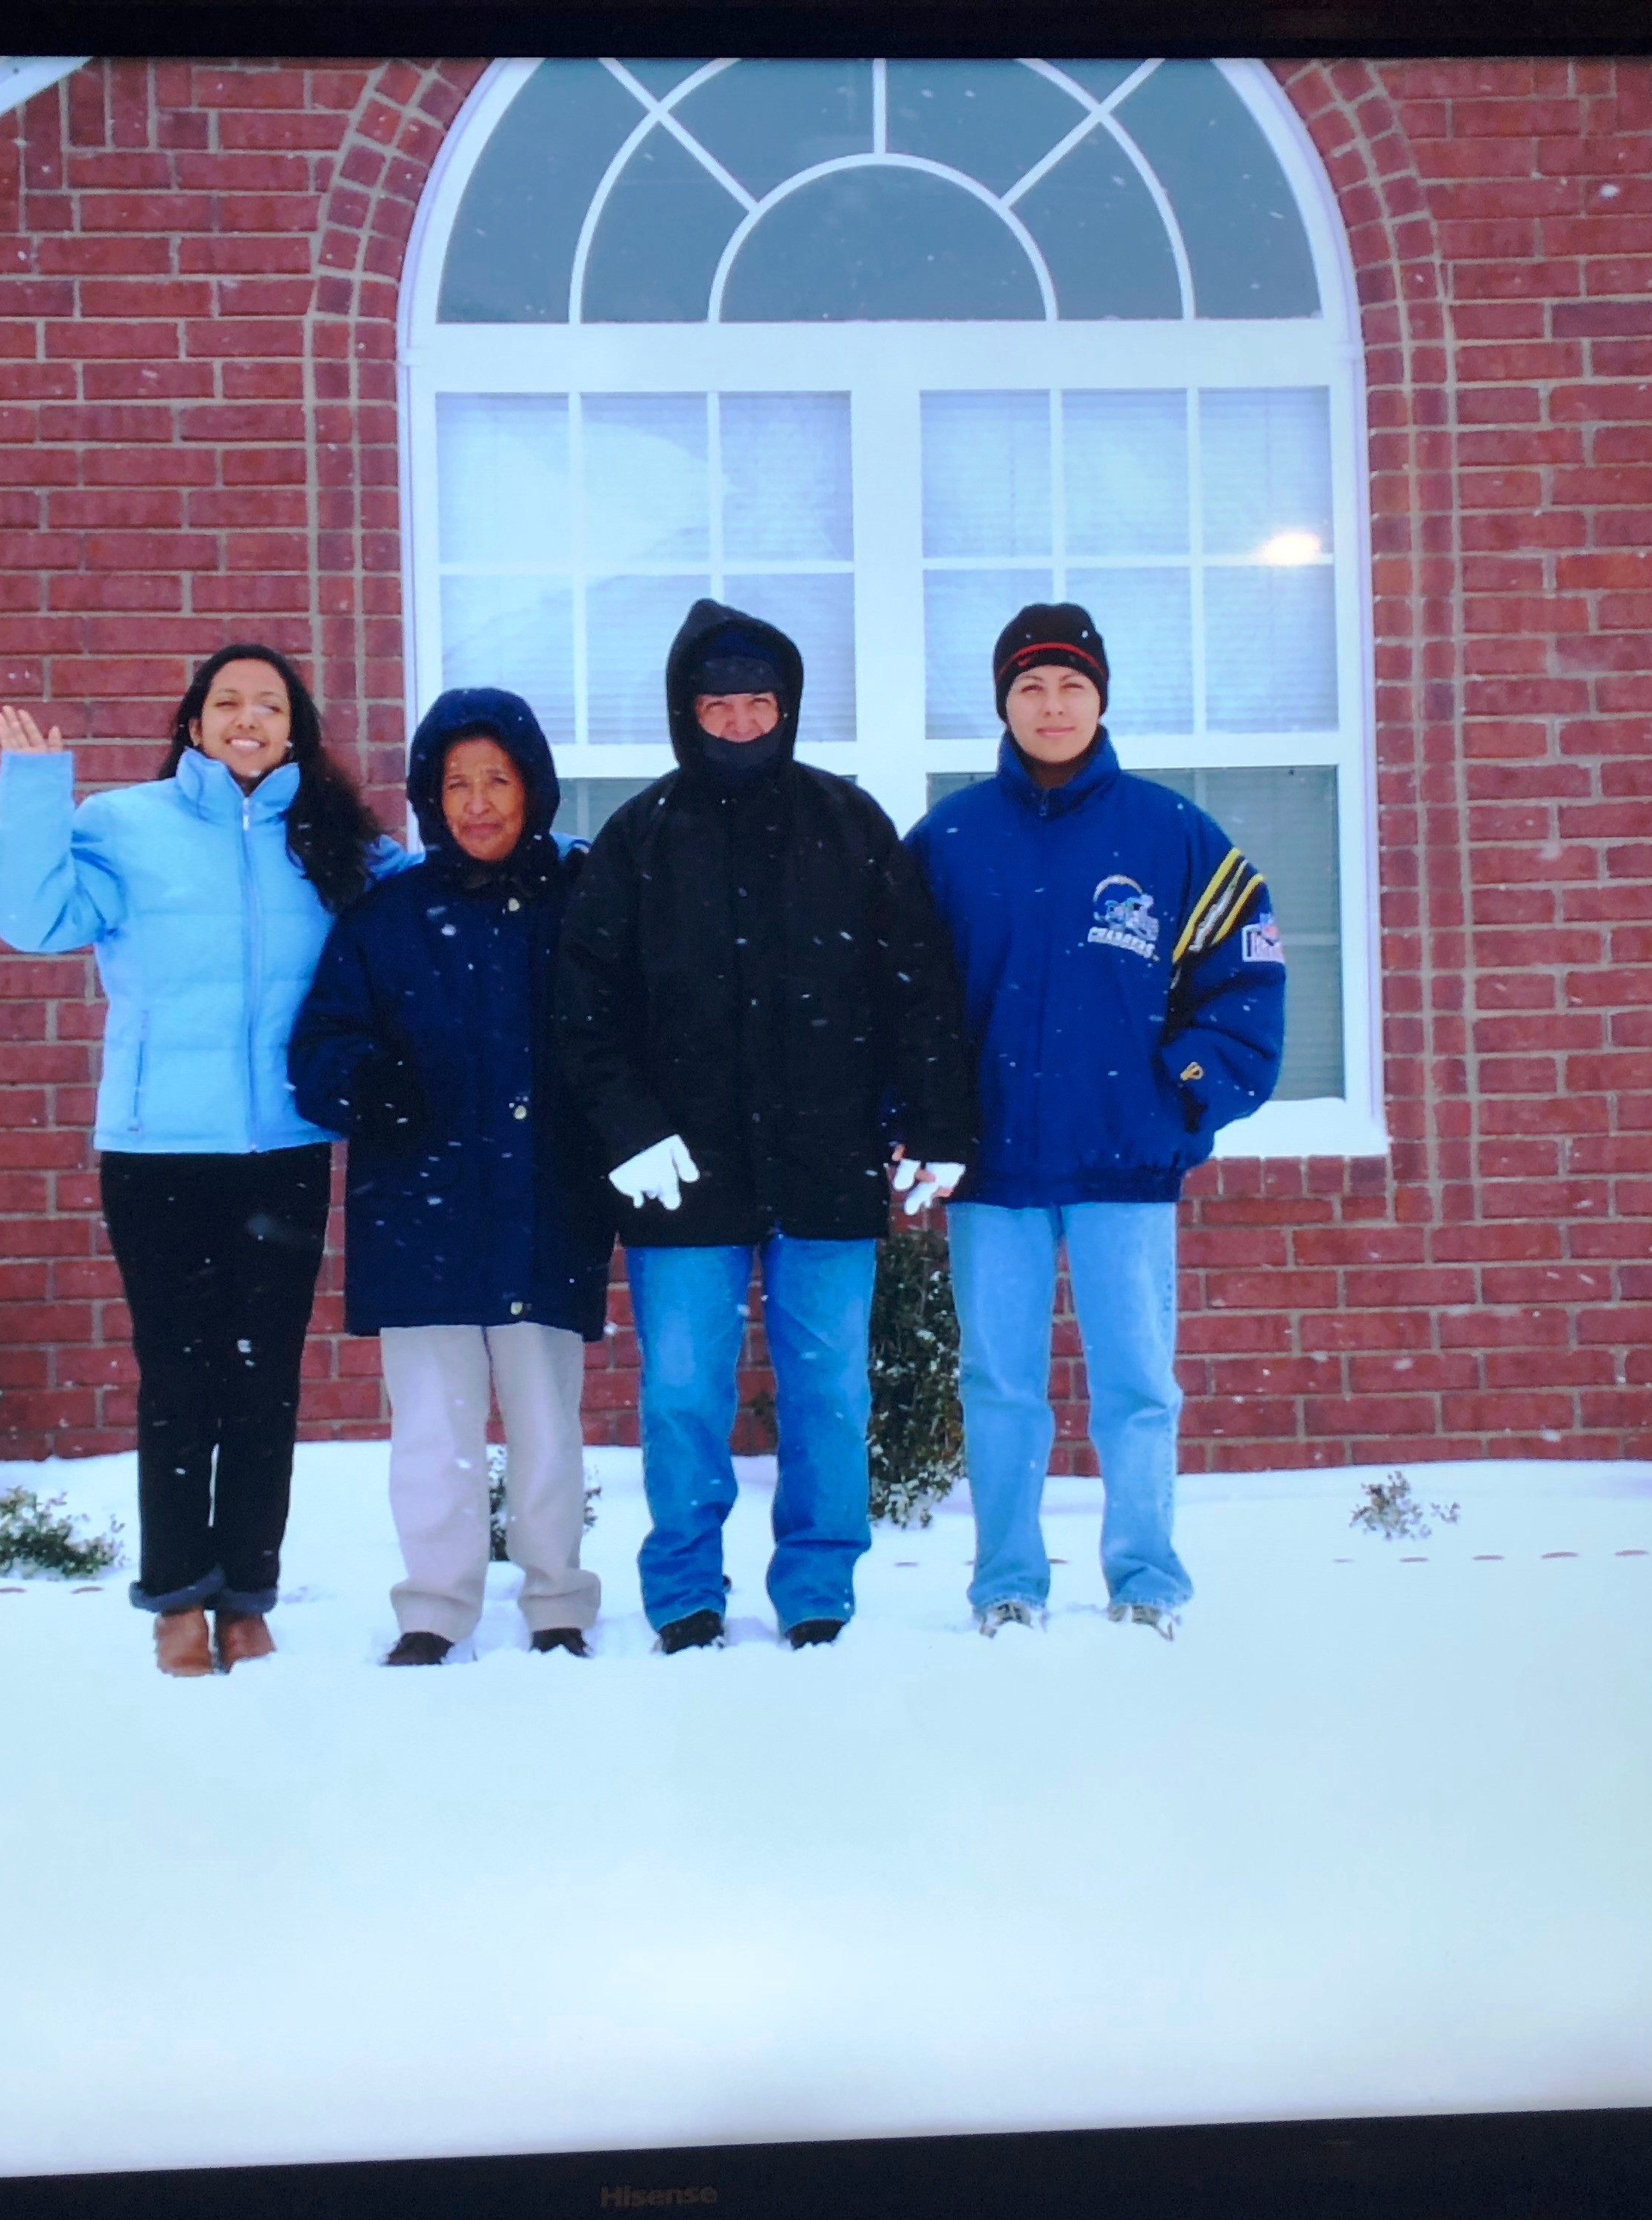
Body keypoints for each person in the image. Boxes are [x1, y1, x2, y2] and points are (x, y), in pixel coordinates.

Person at [553, 598, 976, 1654]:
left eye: (758, 704)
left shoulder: (849, 826)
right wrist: (628, 1127)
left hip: (824, 1159)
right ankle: (685, 1590)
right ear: (685, 712)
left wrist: (934, 1119)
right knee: (682, 1392)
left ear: (786, 708)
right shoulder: (641, 839)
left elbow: (916, 986)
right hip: (680, 1169)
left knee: (829, 1388)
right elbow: (584, 1007)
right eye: (717, 706)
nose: (739, 723)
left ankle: (819, 1585)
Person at [0, 645, 398, 1679]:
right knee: (178, 1376)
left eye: (269, 705)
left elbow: (432, 902)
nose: (248, 719)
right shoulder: (126, 825)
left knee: (265, 1381)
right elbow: (31, 917)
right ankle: (175, 1598)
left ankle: (247, 1595)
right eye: (227, 702)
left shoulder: (333, 839)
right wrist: (33, 791)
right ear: (195, 724)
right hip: (158, 1151)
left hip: (285, 1148)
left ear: (294, 730)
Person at [906, 602, 1288, 1640]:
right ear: (1003, 704)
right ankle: (1007, 1582)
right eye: (1030, 687)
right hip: (992, 1166)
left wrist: (1183, 1087)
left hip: (1126, 1158)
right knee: (999, 1386)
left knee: (1137, 1384)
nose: (1052, 705)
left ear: (1101, 698)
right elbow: (895, 996)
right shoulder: (948, 842)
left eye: (1072, 684)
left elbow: (1246, 973)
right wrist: (917, 1116)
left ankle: (1147, 1578)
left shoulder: (1171, 834)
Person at [290, 688, 613, 1666]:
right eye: (456, 784)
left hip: (545, 1203)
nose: (477, 803)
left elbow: (631, 1028)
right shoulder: (385, 918)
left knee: (548, 1423)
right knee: (433, 1430)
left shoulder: (582, 903)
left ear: (533, 788)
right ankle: (434, 1608)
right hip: (418, 1213)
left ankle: (557, 1600)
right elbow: (320, 1046)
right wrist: (366, 1084)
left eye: (497, 781)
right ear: (430, 797)